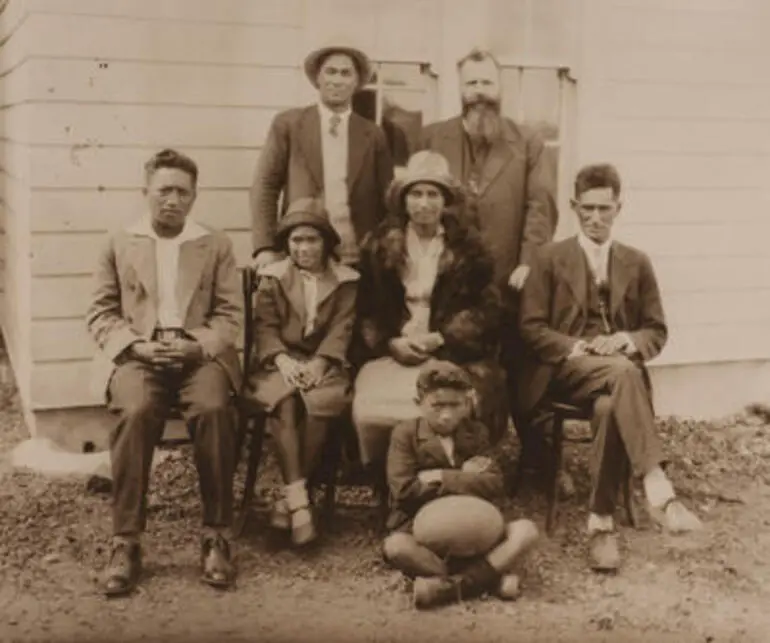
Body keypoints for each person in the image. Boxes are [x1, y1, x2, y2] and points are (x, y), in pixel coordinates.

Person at [519, 163, 703, 572]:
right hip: (564, 372)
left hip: (614, 381)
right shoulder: (548, 259)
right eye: (588, 209)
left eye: (605, 208)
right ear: (573, 207)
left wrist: (625, 340)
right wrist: (580, 346)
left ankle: (600, 524)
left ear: (619, 207)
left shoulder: (637, 262)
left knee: (609, 404)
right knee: (624, 372)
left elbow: (656, 330)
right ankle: (658, 487)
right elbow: (531, 329)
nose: (596, 218)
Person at [85, 149, 243, 596]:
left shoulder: (215, 244)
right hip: (140, 355)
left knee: (213, 409)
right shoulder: (120, 242)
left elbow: (231, 316)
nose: (172, 200)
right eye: (164, 191)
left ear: (194, 196)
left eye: (182, 192)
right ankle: (126, 542)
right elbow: (100, 313)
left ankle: (216, 535)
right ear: (146, 193)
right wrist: (137, 345)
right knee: (135, 412)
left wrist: (198, 345)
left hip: (199, 355)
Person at [421, 47, 558, 478]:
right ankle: (452, 458)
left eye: (487, 82)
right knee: (456, 367)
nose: (479, 92)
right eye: (471, 83)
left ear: (500, 89)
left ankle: (537, 457)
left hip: (508, 279)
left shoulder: (527, 142)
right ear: (459, 90)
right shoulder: (431, 138)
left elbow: (541, 206)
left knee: (519, 364)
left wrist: (528, 261)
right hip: (450, 285)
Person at [352, 150, 508, 477]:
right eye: (416, 194)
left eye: (433, 194)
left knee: (450, 406)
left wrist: (442, 337)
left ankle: (444, 478)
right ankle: (394, 481)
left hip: (451, 352)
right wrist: (391, 342)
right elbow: (366, 308)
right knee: (371, 410)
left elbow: (487, 311)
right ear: (403, 200)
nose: (424, 203)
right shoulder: (379, 246)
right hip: (396, 352)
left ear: (446, 200)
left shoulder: (470, 247)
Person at [246, 198, 359, 546]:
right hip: (278, 361)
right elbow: (264, 327)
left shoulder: (345, 281)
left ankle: (288, 501)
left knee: (320, 404)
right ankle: (300, 499)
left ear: (326, 242)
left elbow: (342, 328)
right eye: (296, 241)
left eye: (312, 240)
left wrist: (321, 362)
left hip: (324, 361)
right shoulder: (274, 277)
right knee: (284, 400)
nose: (304, 248)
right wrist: (282, 360)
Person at [382, 361, 539, 609]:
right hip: (422, 530)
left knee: (526, 531)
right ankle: (487, 578)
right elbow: (404, 491)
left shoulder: (476, 432)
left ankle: (446, 588)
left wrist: (441, 476)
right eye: (437, 405)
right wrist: (466, 476)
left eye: (455, 405)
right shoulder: (404, 434)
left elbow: (494, 482)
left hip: (476, 526)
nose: (446, 414)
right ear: (418, 403)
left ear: (467, 404)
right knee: (396, 547)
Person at [250, 39, 394, 271]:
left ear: (357, 82)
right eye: (331, 72)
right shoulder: (289, 125)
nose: (337, 80)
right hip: (302, 248)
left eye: (346, 73)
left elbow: (389, 198)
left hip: (356, 253)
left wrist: (385, 247)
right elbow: (265, 186)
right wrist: (265, 246)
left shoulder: (372, 134)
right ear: (318, 78)